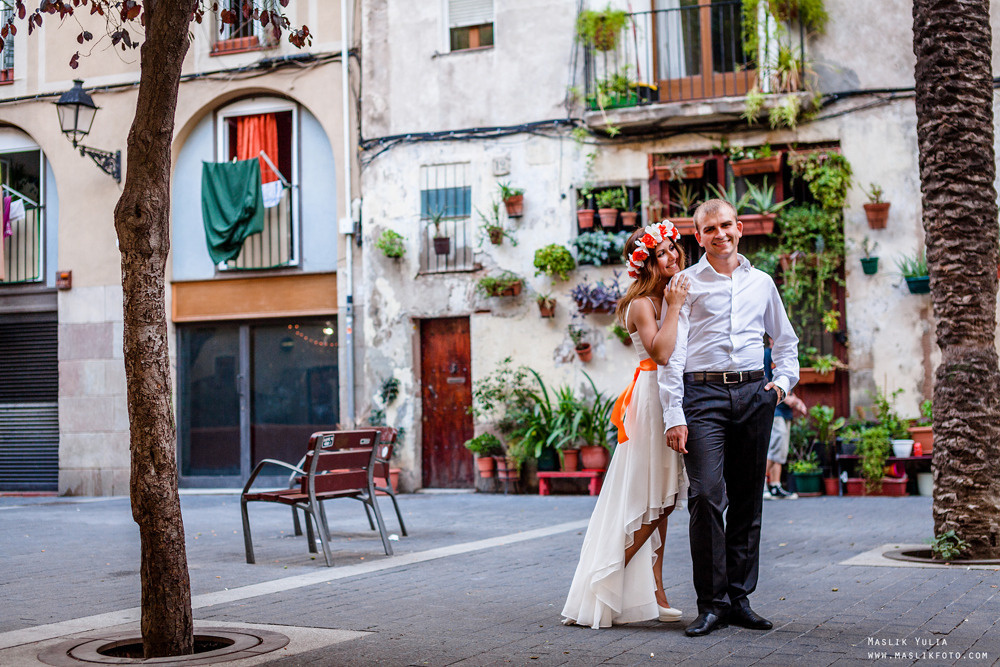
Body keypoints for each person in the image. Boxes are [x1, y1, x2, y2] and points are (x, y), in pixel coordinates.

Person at [659, 199, 799, 637]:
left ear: (739, 228)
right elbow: (672, 355)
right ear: (697, 237)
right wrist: (674, 414)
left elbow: (786, 340)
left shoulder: (762, 283)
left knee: (746, 500)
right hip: (702, 396)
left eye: (726, 225)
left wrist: (780, 385)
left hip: (754, 393)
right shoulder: (685, 283)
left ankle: (739, 599)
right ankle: (712, 603)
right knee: (704, 495)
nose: (720, 234)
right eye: (709, 229)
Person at [561, 222, 690, 628]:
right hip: (652, 398)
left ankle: (656, 590)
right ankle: (604, 577)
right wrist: (677, 306)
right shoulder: (644, 305)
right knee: (659, 497)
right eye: (662, 254)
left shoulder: (666, 296)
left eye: (674, 249)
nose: (673, 257)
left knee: (662, 500)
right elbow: (663, 352)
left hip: (671, 395)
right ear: (646, 263)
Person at [763, 344, 807, 500]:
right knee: (775, 446)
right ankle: (760, 485)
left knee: (781, 450)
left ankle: (775, 485)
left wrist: (795, 401)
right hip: (776, 409)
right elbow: (766, 381)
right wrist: (790, 400)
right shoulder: (767, 355)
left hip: (786, 411)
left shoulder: (785, 356)